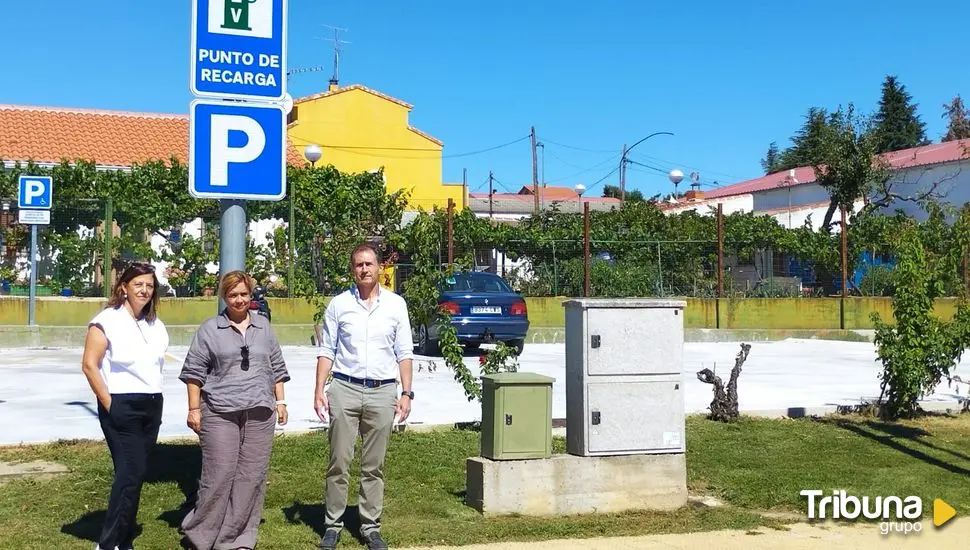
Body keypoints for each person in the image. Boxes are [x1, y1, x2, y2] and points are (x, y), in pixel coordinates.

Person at [178, 270, 291, 550]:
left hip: (260, 410)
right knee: (219, 474)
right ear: (224, 297)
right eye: (233, 295)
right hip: (219, 410)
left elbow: (276, 367)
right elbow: (194, 372)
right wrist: (194, 408)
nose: (239, 300)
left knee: (251, 475)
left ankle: (237, 537)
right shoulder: (210, 329)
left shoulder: (263, 326)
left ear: (251, 295)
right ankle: (201, 535)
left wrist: (281, 401)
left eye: (243, 294)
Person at [314, 244, 414, 550]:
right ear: (352, 269)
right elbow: (327, 350)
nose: (364, 269)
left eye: (369, 263)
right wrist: (319, 390)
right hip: (344, 388)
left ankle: (370, 527)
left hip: (383, 391)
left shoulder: (396, 305)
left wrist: (407, 392)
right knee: (339, 462)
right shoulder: (338, 305)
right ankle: (333, 524)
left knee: (374, 465)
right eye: (359, 264)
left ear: (380, 267)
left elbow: (404, 352)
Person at [81, 261, 169, 550]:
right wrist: (110, 404)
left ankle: (124, 540)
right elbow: (90, 366)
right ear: (124, 288)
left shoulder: (155, 323)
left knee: (134, 474)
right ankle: (107, 544)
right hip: (122, 405)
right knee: (131, 473)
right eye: (138, 284)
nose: (144, 290)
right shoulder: (106, 320)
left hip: (151, 405)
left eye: (149, 285)